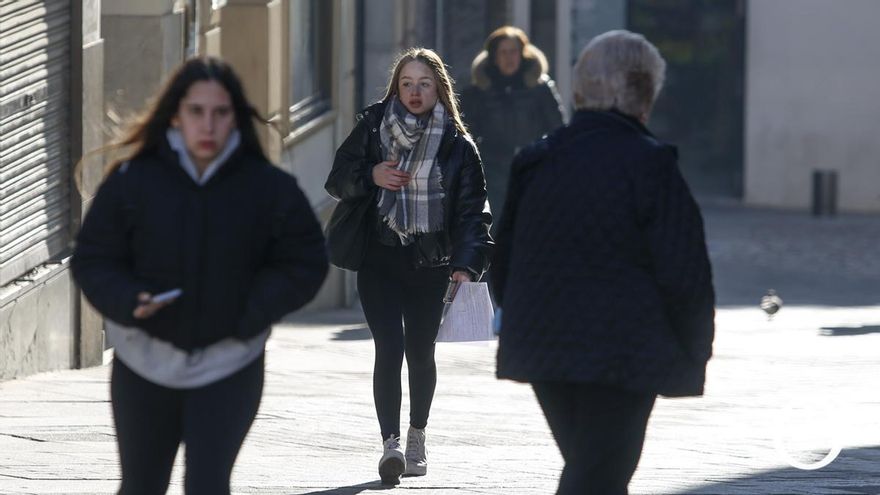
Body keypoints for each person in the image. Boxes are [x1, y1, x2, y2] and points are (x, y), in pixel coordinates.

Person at [71, 57, 328, 494]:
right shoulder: (133, 180)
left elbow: (305, 262)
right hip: (143, 360)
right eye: (196, 112)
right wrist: (129, 299)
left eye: (220, 113)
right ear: (176, 114)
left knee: (208, 485)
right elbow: (93, 259)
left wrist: (251, 312)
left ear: (235, 117)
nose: (207, 125)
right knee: (141, 486)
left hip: (231, 362)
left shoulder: (268, 187)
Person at [492, 30, 715, 495]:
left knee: (594, 472)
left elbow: (504, 259)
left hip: (544, 346)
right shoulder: (650, 163)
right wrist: (694, 348)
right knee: (599, 476)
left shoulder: (536, 160)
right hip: (624, 352)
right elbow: (685, 272)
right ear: (641, 93)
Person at [325, 48, 492, 486]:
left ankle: (417, 436)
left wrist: (466, 263)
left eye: (423, 84)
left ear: (439, 88)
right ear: (395, 88)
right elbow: (338, 176)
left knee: (420, 352)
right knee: (388, 347)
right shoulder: (373, 128)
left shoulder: (458, 145)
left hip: (431, 263)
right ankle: (391, 445)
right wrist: (371, 176)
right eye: (406, 83)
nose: (414, 93)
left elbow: (474, 211)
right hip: (378, 258)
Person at [459, 25, 565, 227]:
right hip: (491, 172)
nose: (509, 58)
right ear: (494, 56)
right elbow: (465, 133)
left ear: (523, 54)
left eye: (514, 51)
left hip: (533, 170)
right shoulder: (477, 92)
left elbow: (558, 130)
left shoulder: (541, 89)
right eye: (503, 52)